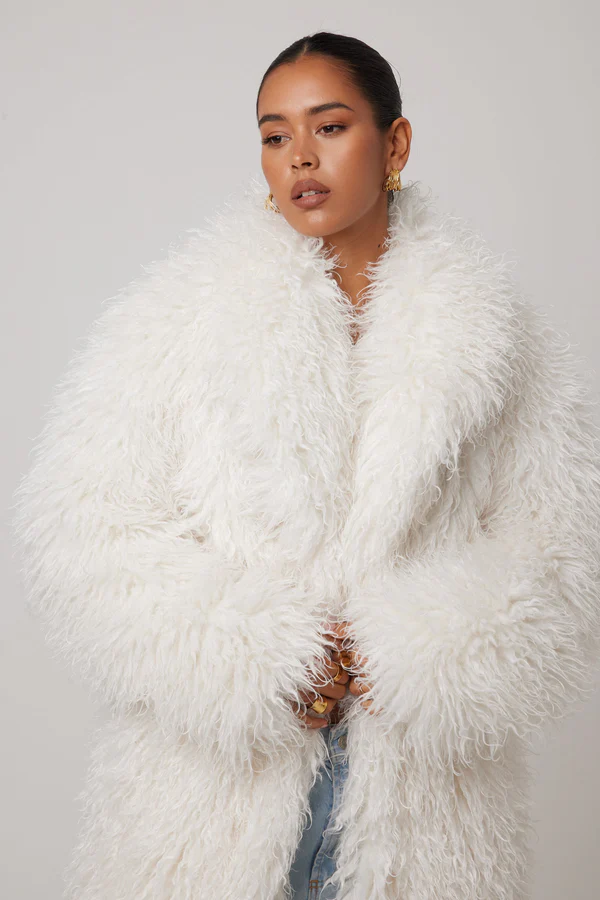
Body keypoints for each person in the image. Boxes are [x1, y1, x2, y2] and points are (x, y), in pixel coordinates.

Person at [10, 30, 600, 900]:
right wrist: (259, 654)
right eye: (274, 134)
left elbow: (563, 552)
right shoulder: (179, 317)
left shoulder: (496, 334)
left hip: (422, 804)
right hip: (213, 793)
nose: (299, 158)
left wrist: (415, 653)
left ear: (395, 144)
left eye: (329, 127)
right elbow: (81, 532)